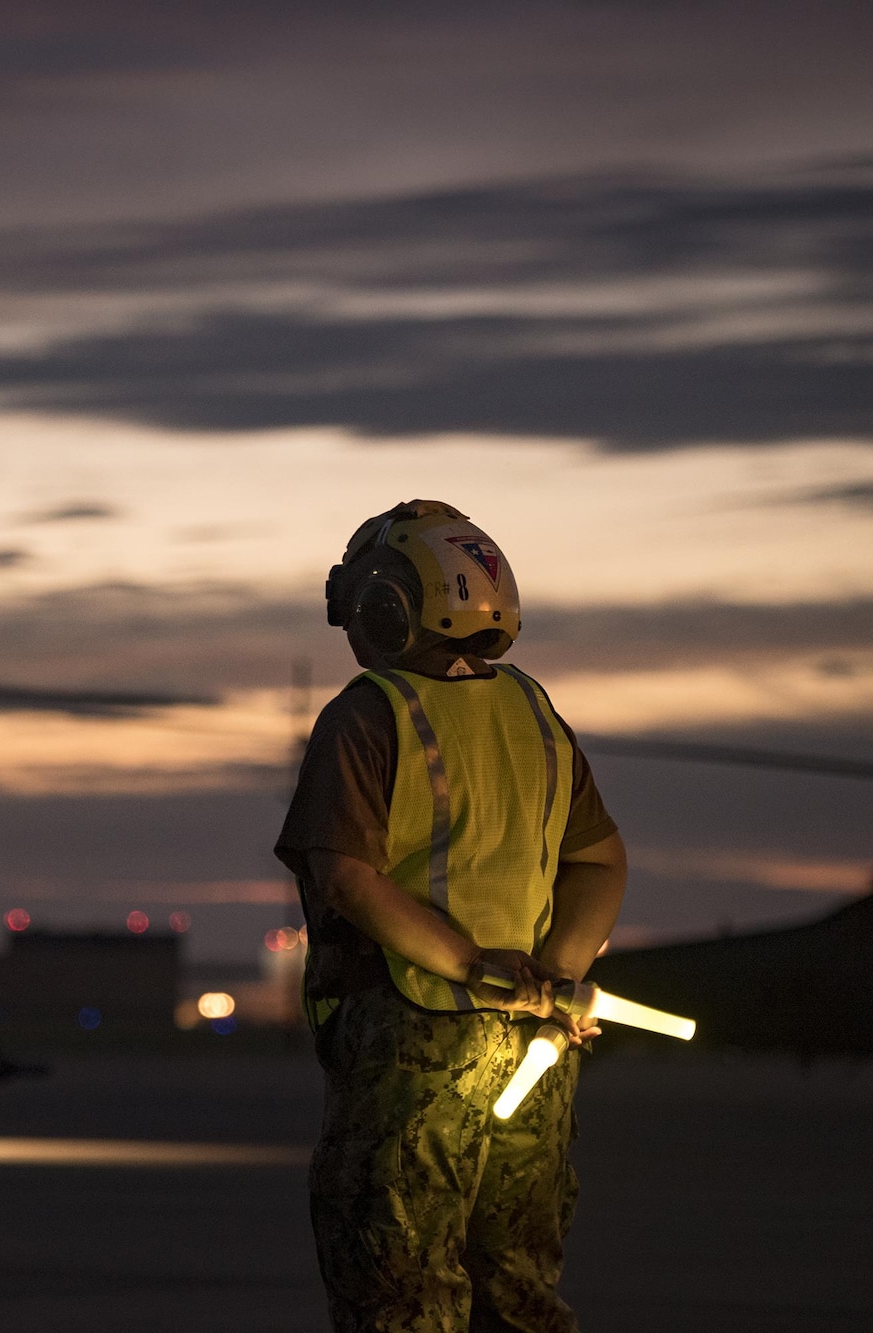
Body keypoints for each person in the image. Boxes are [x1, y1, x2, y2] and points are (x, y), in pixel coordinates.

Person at [276, 499, 627, 1333]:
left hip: (414, 1042)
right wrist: (560, 972)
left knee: (399, 1289)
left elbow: (348, 878)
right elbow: (601, 860)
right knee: (519, 1287)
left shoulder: (370, 712)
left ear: (392, 605)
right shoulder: (535, 713)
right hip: (535, 1046)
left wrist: (469, 965)